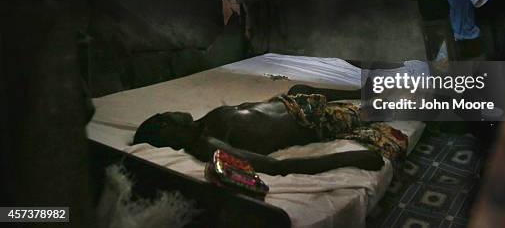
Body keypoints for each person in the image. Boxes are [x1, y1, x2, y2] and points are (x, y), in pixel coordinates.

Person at [134, 85, 408, 176]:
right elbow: (277, 167)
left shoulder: (202, 122)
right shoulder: (206, 143)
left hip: (290, 102)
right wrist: (351, 158)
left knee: (296, 90)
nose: (172, 111)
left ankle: (357, 91)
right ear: (164, 126)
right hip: (313, 122)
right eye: (165, 115)